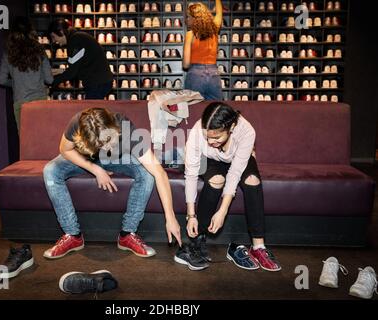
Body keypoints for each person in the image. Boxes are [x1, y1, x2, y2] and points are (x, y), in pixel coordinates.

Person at [42, 107, 182, 259]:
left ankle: (127, 234)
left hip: (118, 159)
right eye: (99, 146)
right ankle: (73, 235)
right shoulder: (78, 124)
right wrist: (95, 169)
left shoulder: (126, 129)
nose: (106, 148)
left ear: (114, 128)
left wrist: (170, 217)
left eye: (108, 141)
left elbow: (159, 173)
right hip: (88, 159)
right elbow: (64, 150)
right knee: (50, 170)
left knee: (147, 173)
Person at [182, 102, 281, 271]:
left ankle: (258, 247)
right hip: (210, 160)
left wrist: (222, 210)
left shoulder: (246, 131)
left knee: (252, 179)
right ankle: (197, 240)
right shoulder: (198, 131)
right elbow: (190, 174)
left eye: (216, 137)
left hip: (236, 160)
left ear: (231, 127)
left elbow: (235, 173)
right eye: (208, 137)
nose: (211, 141)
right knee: (217, 180)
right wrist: (191, 215)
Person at [0, 17, 53, 131]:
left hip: (21, 102)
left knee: (25, 142)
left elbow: (2, 80)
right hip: (40, 100)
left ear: (12, 33)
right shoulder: (40, 50)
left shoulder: (8, 53)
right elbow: (49, 80)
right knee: (42, 137)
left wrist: (15, 82)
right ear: (31, 31)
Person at [48, 18, 113, 99]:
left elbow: (72, 72)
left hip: (98, 83)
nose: (54, 41)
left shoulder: (76, 40)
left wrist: (52, 84)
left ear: (61, 32)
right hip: (101, 81)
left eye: (54, 37)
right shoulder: (78, 37)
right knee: (93, 108)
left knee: (92, 110)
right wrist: (60, 72)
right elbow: (76, 67)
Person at [183, 0, 223, 100]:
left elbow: (186, 64)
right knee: (214, 109)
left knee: (193, 110)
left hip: (195, 74)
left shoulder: (190, 34)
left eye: (188, 17)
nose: (186, 20)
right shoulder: (214, 30)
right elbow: (219, 13)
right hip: (214, 74)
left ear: (194, 18)